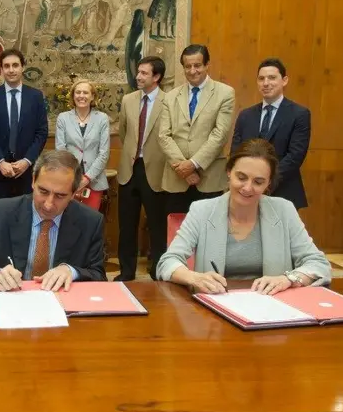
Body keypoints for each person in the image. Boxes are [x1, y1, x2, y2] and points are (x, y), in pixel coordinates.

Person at [156, 139, 331, 295]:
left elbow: (318, 264)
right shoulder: (202, 210)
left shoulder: (283, 210)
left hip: (272, 309)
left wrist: (288, 279)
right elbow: (167, 262)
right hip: (215, 312)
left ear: (269, 183)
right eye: (241, 177)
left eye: (258, 182)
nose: (247, 188)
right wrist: (194, 278)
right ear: (228, 172)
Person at [0, 150, 106, 291]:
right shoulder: (0, 212)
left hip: (62, 306)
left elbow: (99, 275)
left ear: (74, 194)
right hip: (11, 302)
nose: (48, 204)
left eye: (60, 196)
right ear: (33, 181)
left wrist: (72, 272)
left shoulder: (91, 221)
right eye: (43, 191)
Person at [158, 44, 235, 214]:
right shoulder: (170, 97)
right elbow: (164, 136)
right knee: (177, 235)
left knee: (209, 235)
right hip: (176, 179)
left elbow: (219, 135)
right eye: (188, 66)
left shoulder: (225, 93)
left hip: (209, 180)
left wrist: (193, 164)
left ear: (207, 65)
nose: (192, 71)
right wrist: (184, 170)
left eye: (197, 65)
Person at [232, 58, 310, 209]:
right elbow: (236, 152)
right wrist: (248, 182)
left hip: (284, 192)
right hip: (246, 193)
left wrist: (264, 181)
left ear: (284, 80)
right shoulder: (245, 115)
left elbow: (295, 156)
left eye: (272, 78)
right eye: (261, 79)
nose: (266, 83)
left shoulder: (299, 114)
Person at [116, 56, 168, 281]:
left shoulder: (169, 101)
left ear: (156, 77)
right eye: (139, 71)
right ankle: (126, 271)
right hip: (129, 169)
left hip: (155, 170)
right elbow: (123, 132)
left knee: (158, 225)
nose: (138, 76)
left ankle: (158, 270)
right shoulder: (128, 100)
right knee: (127, 224)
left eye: (144, 73)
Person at [0, 49, 49, 200]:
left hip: (26, 173)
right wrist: (0, 161)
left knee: (25, 219)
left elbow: (41, 132)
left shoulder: (35, 96)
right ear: (1, 69)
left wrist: (26, 161)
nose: (11, 70)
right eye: (6, 66)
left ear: (22, 67)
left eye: (15, 65)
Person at [55, 78, 110, 211]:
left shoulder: (102, 118)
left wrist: (86, 178)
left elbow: (104, 153)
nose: (81, 96)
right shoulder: (63, 118)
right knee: (69, 222)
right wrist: (74, 178)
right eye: (78, 92)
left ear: (92, 96)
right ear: (73, 96)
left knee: (90, 224)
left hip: (94, 180)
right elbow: (60, 150)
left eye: (85, 93)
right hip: (69, 180)